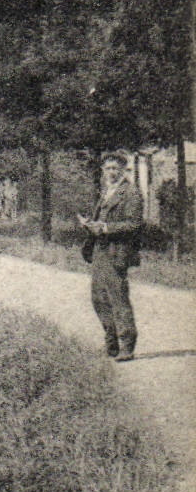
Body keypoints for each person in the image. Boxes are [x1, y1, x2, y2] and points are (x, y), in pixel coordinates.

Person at [78, 151, 143, 361]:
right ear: (103, 170)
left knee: (118, 298)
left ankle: (127, 346)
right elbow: (101, 219)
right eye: (108, 168)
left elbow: (134, 224)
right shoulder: (106, 191)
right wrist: (90, 224)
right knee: (99, 298)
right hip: (100, 251)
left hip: (117, 252)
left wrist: (105, 228)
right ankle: (111, 343)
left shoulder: (131, 193)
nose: (111, 172)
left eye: (115, 168)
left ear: (123, 170)